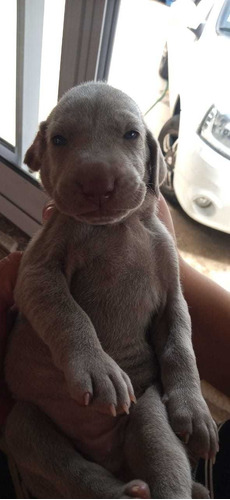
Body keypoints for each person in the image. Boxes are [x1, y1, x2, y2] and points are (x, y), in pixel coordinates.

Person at [0, 196, 229, 497]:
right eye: (60, 143)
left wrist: (185, 385)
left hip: (133, 414)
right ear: (39, 161)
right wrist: (79, 347)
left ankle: (175, 490)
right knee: (21, 431)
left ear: (154, 160)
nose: (96, 173)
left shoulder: (157, 241)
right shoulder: (64, 229)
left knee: (152, 413)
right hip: (48, 421)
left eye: (130, 143)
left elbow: (174, 312)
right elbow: (35, 280)